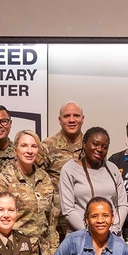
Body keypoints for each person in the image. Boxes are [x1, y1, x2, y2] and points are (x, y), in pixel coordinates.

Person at [59, 127, 128, 236]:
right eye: (95, 144)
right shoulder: (69, 169)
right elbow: (68, 210)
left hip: (112, 236)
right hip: (81, 235)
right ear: (84, 144)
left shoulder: (113, 169)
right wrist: (93, 232)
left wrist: (113, 230)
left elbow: (122, 204)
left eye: (104, 147)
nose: (99, 149)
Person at [39, 101, 85, 241]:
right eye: (67, 116)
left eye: (76, 116)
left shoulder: (91, 145)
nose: (72, 120)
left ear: (82, 119)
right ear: (60, 120)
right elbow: (38, 181)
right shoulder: (47, 146)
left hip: (83, 216)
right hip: (56, 221)